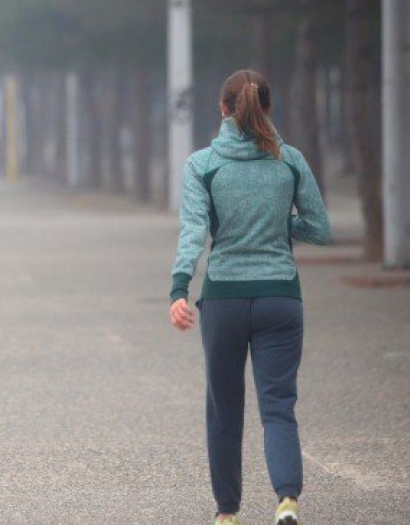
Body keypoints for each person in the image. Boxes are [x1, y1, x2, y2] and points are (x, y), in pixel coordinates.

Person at [168, 70, 330, 525]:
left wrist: (179, 288)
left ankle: (227, 514)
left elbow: (194, 231)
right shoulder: (290, 160)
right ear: (268, 108)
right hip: (281, 298)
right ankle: (287, 501)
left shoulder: (202, 165)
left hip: (224, 301)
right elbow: (319, 228)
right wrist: (278, 223)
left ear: (222, 108)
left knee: (224, 409)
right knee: (278, 406)